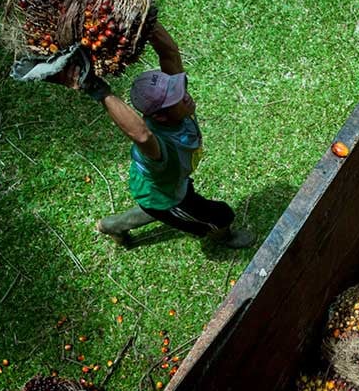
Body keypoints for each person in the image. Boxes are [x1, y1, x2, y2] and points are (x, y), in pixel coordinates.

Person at [58, 22, 254, 248]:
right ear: (160, 116)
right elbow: (142, 136)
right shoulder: (158, 145)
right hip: (166, 196)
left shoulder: (173, 107)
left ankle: (113, 224)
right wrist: (99, 91)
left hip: (164, 186)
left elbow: (169, 52)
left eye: (180, 89)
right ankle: (224, 237)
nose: (186, 96)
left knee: (156, 206)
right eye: (177, 97)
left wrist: (147, 21)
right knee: (218, 216)